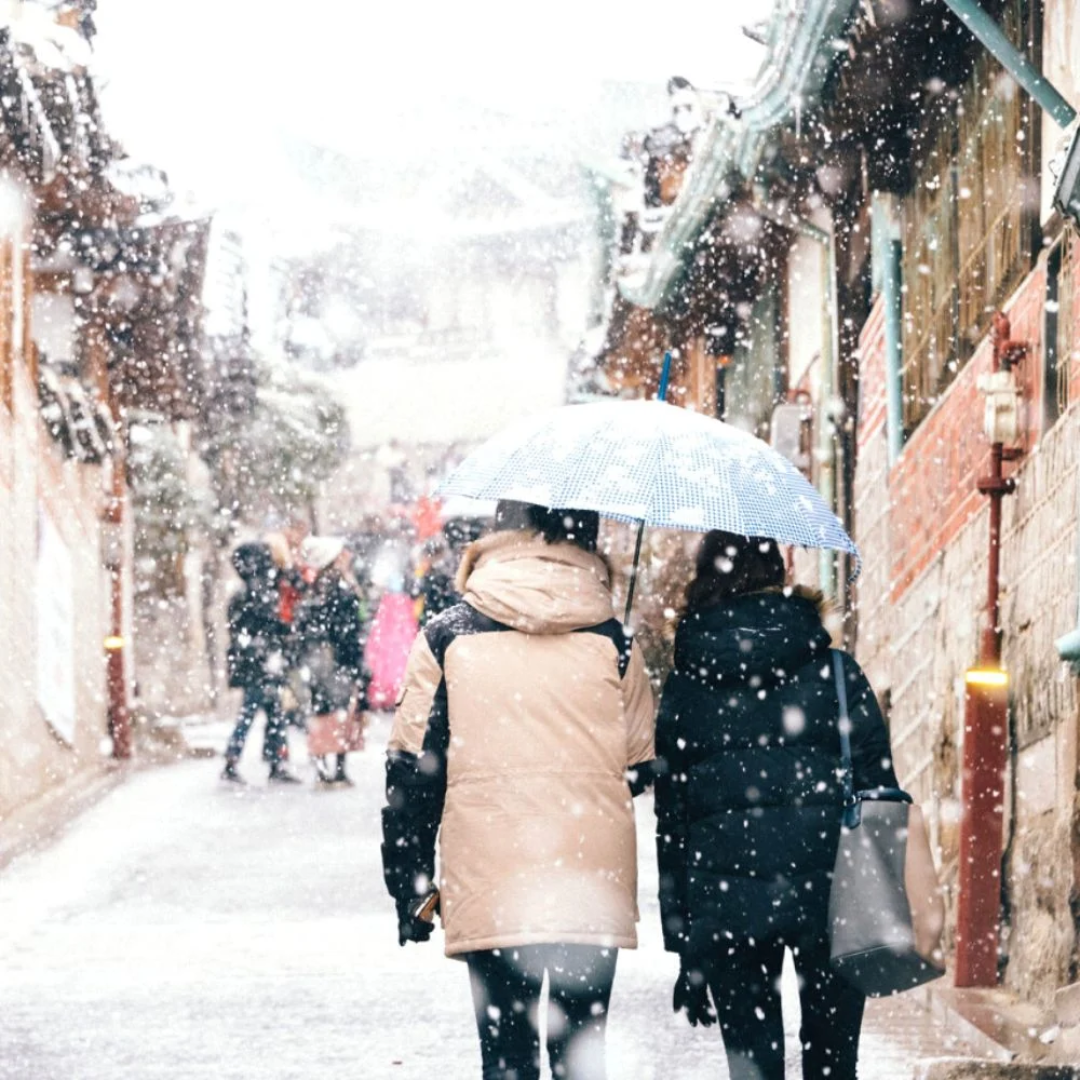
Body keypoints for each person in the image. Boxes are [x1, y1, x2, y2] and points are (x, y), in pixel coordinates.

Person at [381, 501, 656, 1080]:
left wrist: (411, 887)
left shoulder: (448, 635)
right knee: (580, 1059)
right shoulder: (614, 639)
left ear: (500, 535)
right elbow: (638, 767)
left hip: (492, 876)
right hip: (587, 877)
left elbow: (412, 771)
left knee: (506, 1059)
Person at [654, 530, 898, 1080]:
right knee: (833, 1065)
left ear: (705, 578)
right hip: (832, 895)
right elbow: (880, 788)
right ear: (781, 572)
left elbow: (673, 820)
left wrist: (685, 945)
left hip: (726, 901)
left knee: (753, 1067)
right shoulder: (836, 673)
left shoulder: (687, 682)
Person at [222, 542, 300, 785]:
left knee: (267, 713)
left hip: (256, 662)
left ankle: (264, 761)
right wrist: (281, 635)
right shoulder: (259, 592)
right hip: (262, 663)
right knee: (261, 713)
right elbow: (266, 625)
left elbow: (241, 629)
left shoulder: (247, 591)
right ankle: (256, 761)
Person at [295, 536, 366, 785]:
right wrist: (356, 662)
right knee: (339, 713)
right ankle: (338, 769)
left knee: (321, 712)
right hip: (339, 660)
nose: (347, 557)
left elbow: (303, 629)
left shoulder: (313, 590)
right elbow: (350, 630)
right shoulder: (342, 590)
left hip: (317, 662)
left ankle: (322, 768)